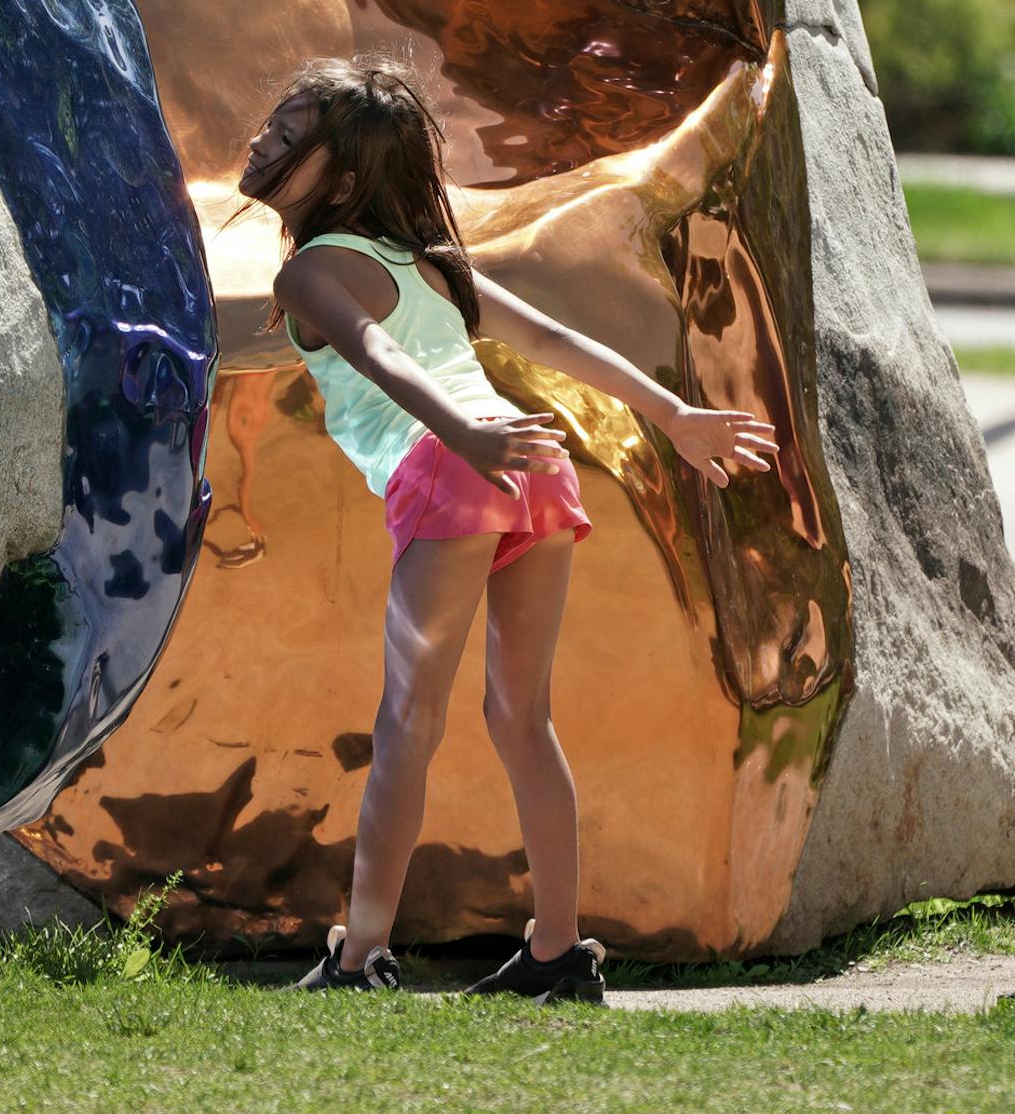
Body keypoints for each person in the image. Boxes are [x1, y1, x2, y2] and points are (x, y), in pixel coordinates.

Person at [235, 55, 780, 1005]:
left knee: (408, 722)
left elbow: (373, 350)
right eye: (272, 125)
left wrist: (460, 432)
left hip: (457, 461)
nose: (261, 141)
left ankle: (361, 956)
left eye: (288, 137)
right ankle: (558, 952)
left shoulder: (312, 270)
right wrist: (672, 415)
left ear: (346, 182)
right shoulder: (430, 266)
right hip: (532, 463)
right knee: (521, 718)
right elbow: (552, 342)